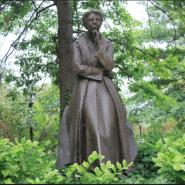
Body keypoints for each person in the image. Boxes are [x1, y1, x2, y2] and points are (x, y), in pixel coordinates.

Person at [57, 9, 138, 172]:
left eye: (98, 20)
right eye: (91, 19)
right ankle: (90, 168)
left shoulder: (107, 44)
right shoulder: (77, 44)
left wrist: (99, 47)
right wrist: (100, 72)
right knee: (92, 125)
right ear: (85, 23)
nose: (94, 22)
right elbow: (78, 68)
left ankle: (113, 167)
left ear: (101, 23)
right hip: (86, 89)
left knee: (110, 125)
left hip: (106, 89)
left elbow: (109, 65)